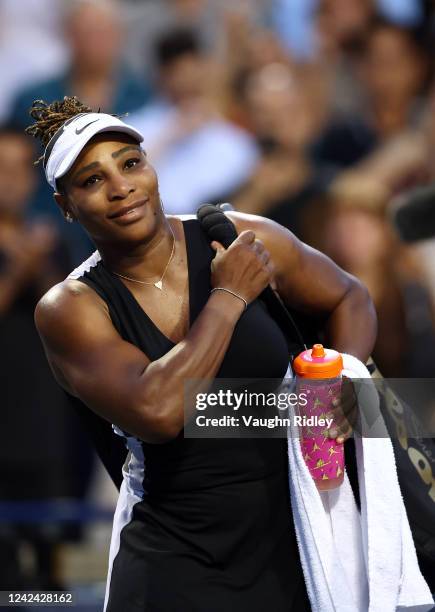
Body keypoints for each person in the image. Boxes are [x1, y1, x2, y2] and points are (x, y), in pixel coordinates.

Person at [27, 96, 377, 611]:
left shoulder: (243, 236)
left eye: (130, 164)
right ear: (66, 207)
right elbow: (160, 411)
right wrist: (230, 296)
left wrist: (345, 381)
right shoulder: (70, 307)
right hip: (174, 562)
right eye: (92, 180)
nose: (121, 187)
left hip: (296, 542)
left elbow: (351, 296)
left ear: (150, 167)